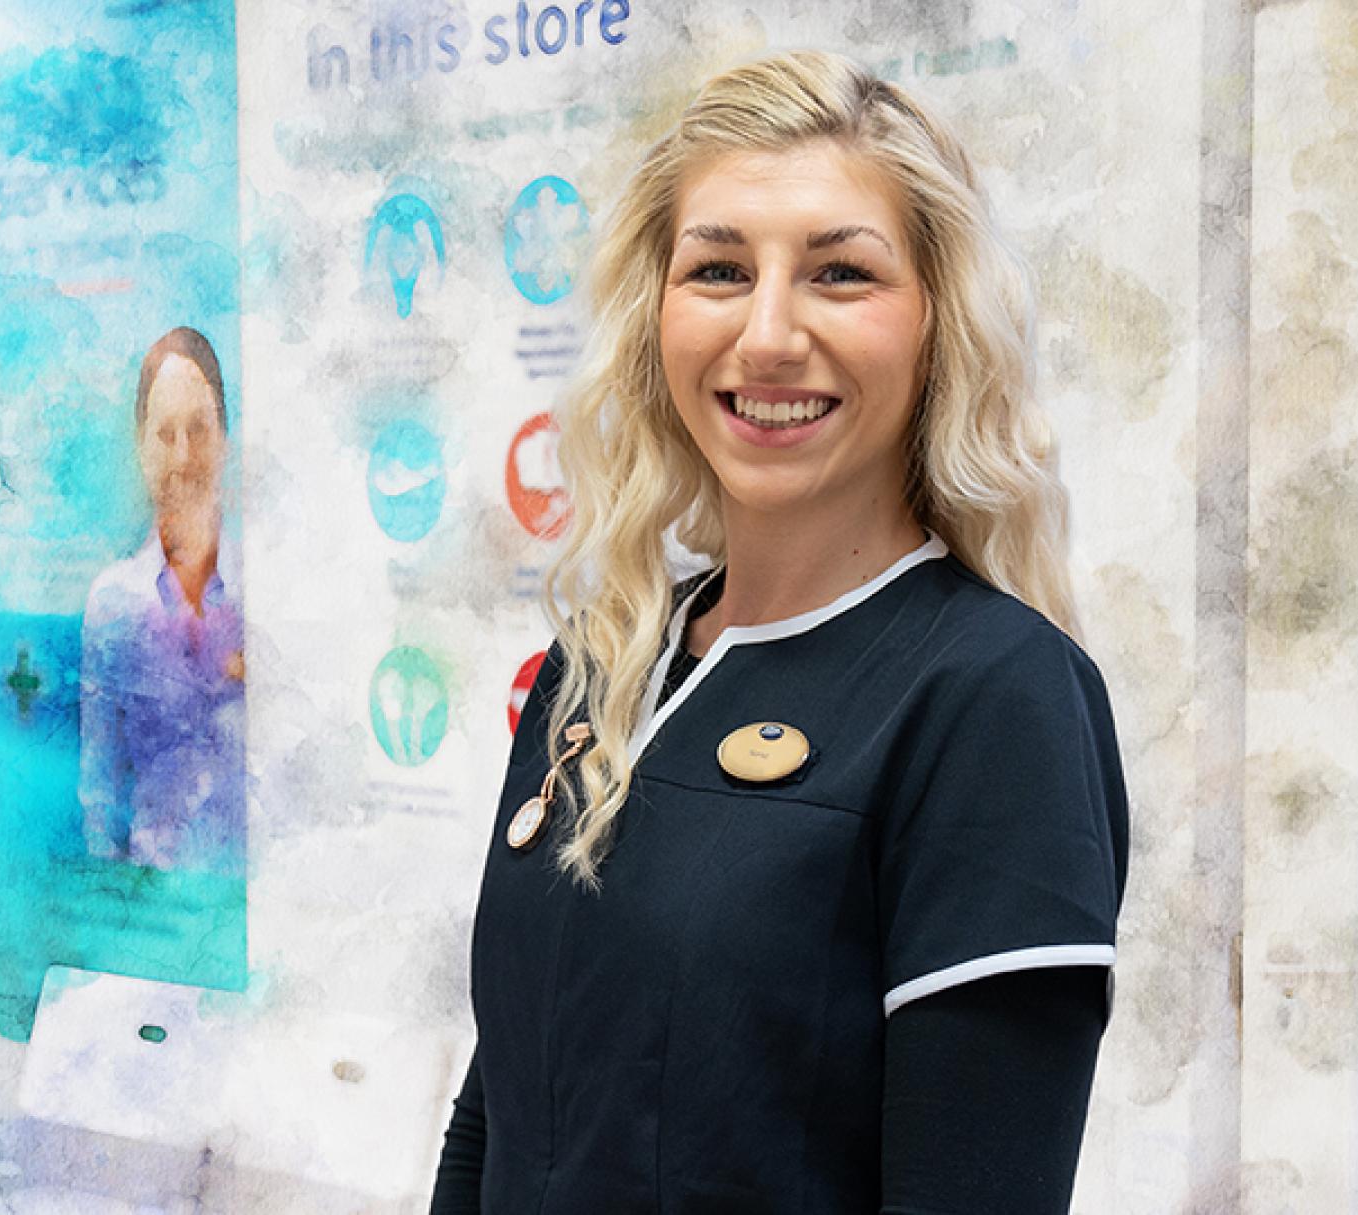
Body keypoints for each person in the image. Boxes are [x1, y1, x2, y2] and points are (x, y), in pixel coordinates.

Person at [432, 50, 1130, 1212]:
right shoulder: (597, 667)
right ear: (656, 312)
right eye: (716, 269)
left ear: (937, 322)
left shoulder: (994, 701)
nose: (766, 335)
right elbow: (497, 1118)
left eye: (839, 274)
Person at [78, 326, 246, 877]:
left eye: (198, 429)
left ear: (224, 437)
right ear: (140, 445)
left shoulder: (268, 594)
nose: (183, 457)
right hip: (153, 920)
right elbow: (100, 799)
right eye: (165, 433)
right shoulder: (113, 606)